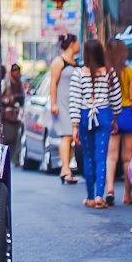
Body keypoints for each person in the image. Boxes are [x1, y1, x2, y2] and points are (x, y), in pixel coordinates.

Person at [70, 38, 116, 209]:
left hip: (84, 116)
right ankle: (99, 196)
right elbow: (115, 99)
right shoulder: (109, 73)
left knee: (88, 157)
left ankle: (90, 196)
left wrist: (74, 125)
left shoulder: (78, 74)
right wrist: (115, 119)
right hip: (104, 115)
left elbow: (74, 100)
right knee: (101, 157)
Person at [105, 37, 132, 206]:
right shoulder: (131, 72)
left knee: (111, 157)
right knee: (128, 158)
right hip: (128, 114)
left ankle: (110, 189)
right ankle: (127, 195)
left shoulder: (105, 72)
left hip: (112, 115)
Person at [47, 35, 81, 184]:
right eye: (78, 42)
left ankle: (67, 168)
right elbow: (53, 83)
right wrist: (53, 103)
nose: (79, 45)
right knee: (66, 136)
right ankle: (65, 168)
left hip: (74, 103)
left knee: (72, 137)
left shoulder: (76, 63)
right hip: (62, 104)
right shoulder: (59, 61)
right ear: (72, 44)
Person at [0, 62, 26, 144]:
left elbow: (22, 99)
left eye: (18, 71)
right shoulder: (6, 84)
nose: (17, 74)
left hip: (18, 118)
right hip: (7, 119)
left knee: (16, 144)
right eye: (15, 71)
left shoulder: (20, 84)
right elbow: (1, 99)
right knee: (8, 141)